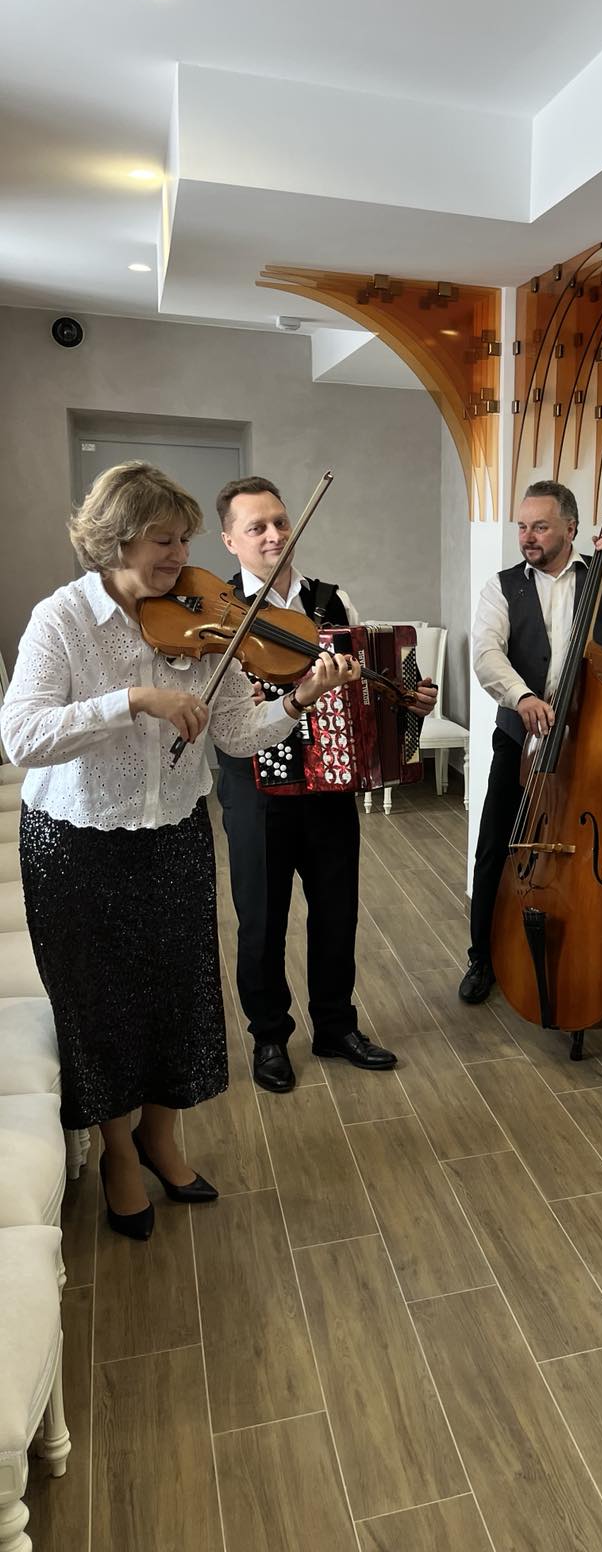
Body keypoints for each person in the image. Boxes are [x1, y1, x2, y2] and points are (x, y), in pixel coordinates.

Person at [0, 461, 360, 1239]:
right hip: (77, 842)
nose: (180, 556)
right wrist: (133, 700)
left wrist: (300, 697)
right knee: (103, 1007)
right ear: (116, 539)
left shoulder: (199, 619)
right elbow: (20, 736)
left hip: (174, 834)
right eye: (163, 540)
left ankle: (161, 1139)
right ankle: (118, 1155)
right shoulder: (63, 619)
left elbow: (237, 734)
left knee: (178, 995)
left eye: (185, 539)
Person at [214, 476, 437, 1092]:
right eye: (256, 527)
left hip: (330, 782)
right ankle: (269, 1036)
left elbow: (370, 685)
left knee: (336, 912)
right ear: (230, 540)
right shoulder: (221, 613)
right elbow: (210, 707)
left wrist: (407, 696)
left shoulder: (334, 602)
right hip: (256, 790)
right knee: (261, 921)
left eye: (280, 522)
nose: (274, 535)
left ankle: (336, 1026)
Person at [458, 480, 602, 1003]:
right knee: (496, 846)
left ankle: (584, 947)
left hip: (592, 742)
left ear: (571, 529)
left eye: (540, 526)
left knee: (583, 851)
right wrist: (521, 696)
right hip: (522, 740)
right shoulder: (502, 586)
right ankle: (482, 957)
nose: (527, 537)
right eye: (522, 526)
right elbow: (487, 654)